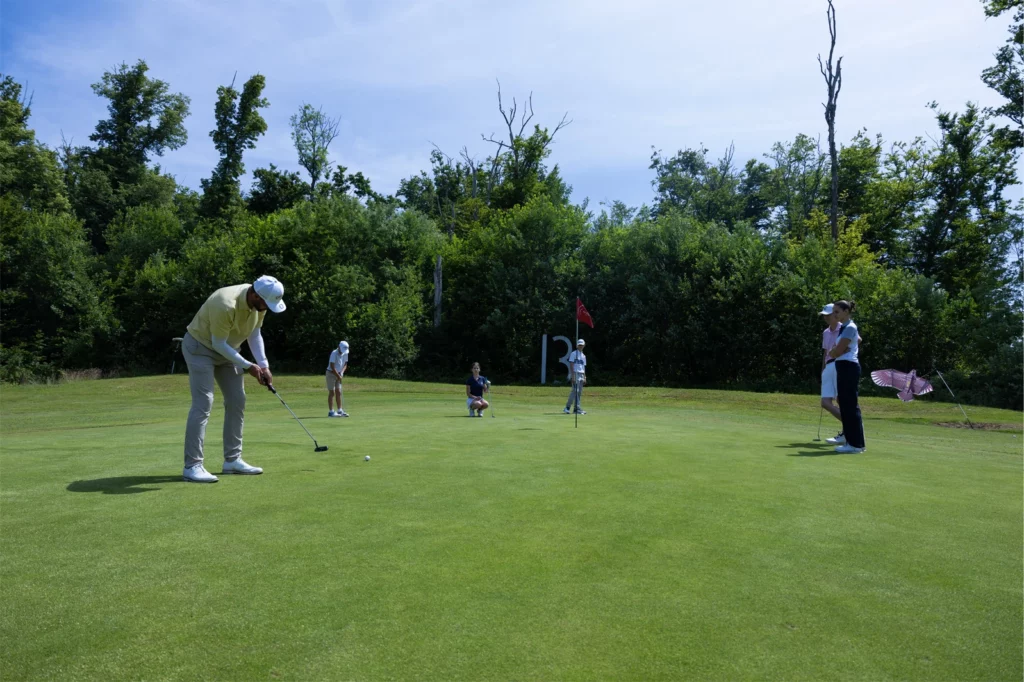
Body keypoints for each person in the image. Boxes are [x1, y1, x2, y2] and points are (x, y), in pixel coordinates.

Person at [180, 275, 286, 483]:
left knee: (238, 400)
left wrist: (263, 365)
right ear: (255, 295)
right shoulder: (225, 303)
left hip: (228, 351)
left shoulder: (259, 306)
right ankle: (192, 465)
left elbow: (254, 334)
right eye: (266, 303)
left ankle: (232, 460)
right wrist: (249, 366)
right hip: (200, 348)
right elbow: (217, 343)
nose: (267, 308)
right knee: (204, 402)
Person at [827, 300, 865, 453]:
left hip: (848, 367)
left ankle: (856, 445)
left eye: (837, 312)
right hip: (844, 366)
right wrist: (839, 349)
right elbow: (857, 341)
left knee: (849, 405)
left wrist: (834, 350)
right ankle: (851, 440)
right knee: (844, 403)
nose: (834, 315)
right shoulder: (845, 328)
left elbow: (837, 351)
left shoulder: (849, 327)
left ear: (846, 312)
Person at [819, 303, 843, 439]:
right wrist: (823, 370)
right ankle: (851, 425)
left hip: (840, 365)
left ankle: (850, 429)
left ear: (835, 314)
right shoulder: (826, 332)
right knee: (825, 402)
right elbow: (825, 353)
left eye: (828, 315)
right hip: (829, 366)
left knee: (840, 400)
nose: (826, 318)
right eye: (824, 315)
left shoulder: (844, 329)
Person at [563, 338, 587, 415]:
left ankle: (577, 408)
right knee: (574, 391)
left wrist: (585, 377)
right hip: (575, 373)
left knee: (579, 392)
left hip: (581, 374)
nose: (580, 346)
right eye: (579, 345)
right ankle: (567, 407)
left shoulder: (583, 355)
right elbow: (571, 365)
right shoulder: (573, 353)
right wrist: (573, 375)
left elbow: (583, 366)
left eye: (582, 345)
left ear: (584, 345)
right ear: (577, 345)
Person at [327, 340, 350, 417]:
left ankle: (340, 410)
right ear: (339, 347)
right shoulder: (334, 353)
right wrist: (338, 375)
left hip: (339, 374)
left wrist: (342, 373)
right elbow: (332, 366)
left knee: (339, 392)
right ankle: (331, 412)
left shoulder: (345, 353)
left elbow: (345, 364)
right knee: (332, 392)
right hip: (331, 373)